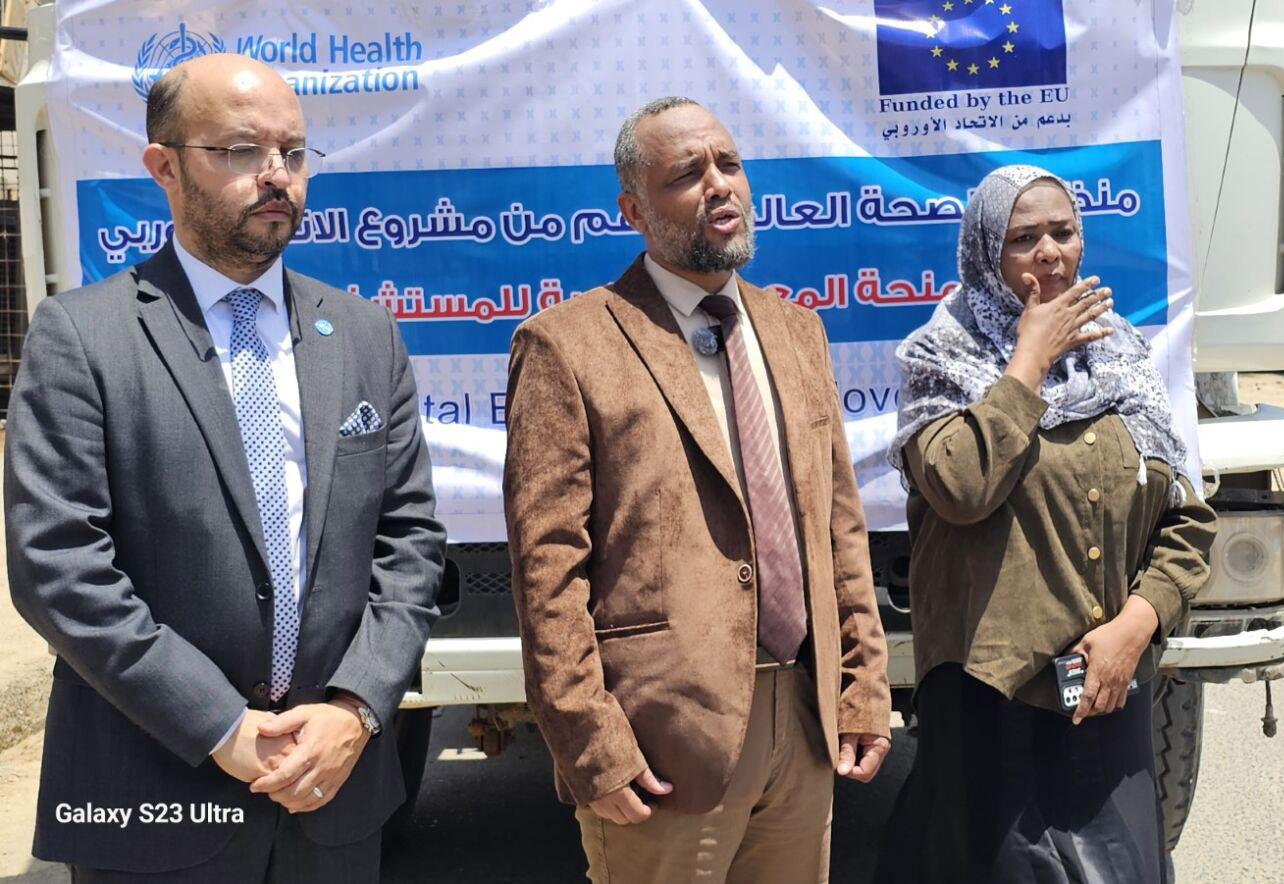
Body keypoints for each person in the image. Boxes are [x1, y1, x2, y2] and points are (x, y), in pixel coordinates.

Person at [4, 54, 445, 882]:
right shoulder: (83, 337)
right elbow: (57, 567)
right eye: (240, 152)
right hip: (153, 800)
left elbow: (410, 540)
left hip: (334, 799)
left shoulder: (361, 334)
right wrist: (220, 725)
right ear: (163, 167)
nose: (275, 176)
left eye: (292, 152)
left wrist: (355, 708)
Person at [503, 96, 892, 883]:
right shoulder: (568, 345)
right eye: (688, 173)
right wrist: (590, 744)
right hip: (664, 745)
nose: (719, 184)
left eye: (729, 164)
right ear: (634, 210)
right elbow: (548, 573)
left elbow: (838, 531)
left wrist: (862, 689)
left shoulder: (796, 330)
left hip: (804, 729)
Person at [874, 164, 1218, 884]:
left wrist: (1137, 625)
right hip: (988, 706)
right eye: (1022, 238)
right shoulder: (941, 360)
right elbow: (961, 487)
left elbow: (1185, 521)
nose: (1048, 253)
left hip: (1106, 693)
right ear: (983, 255)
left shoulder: (1122, 357)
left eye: (1062, 233)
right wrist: (1028, 362)